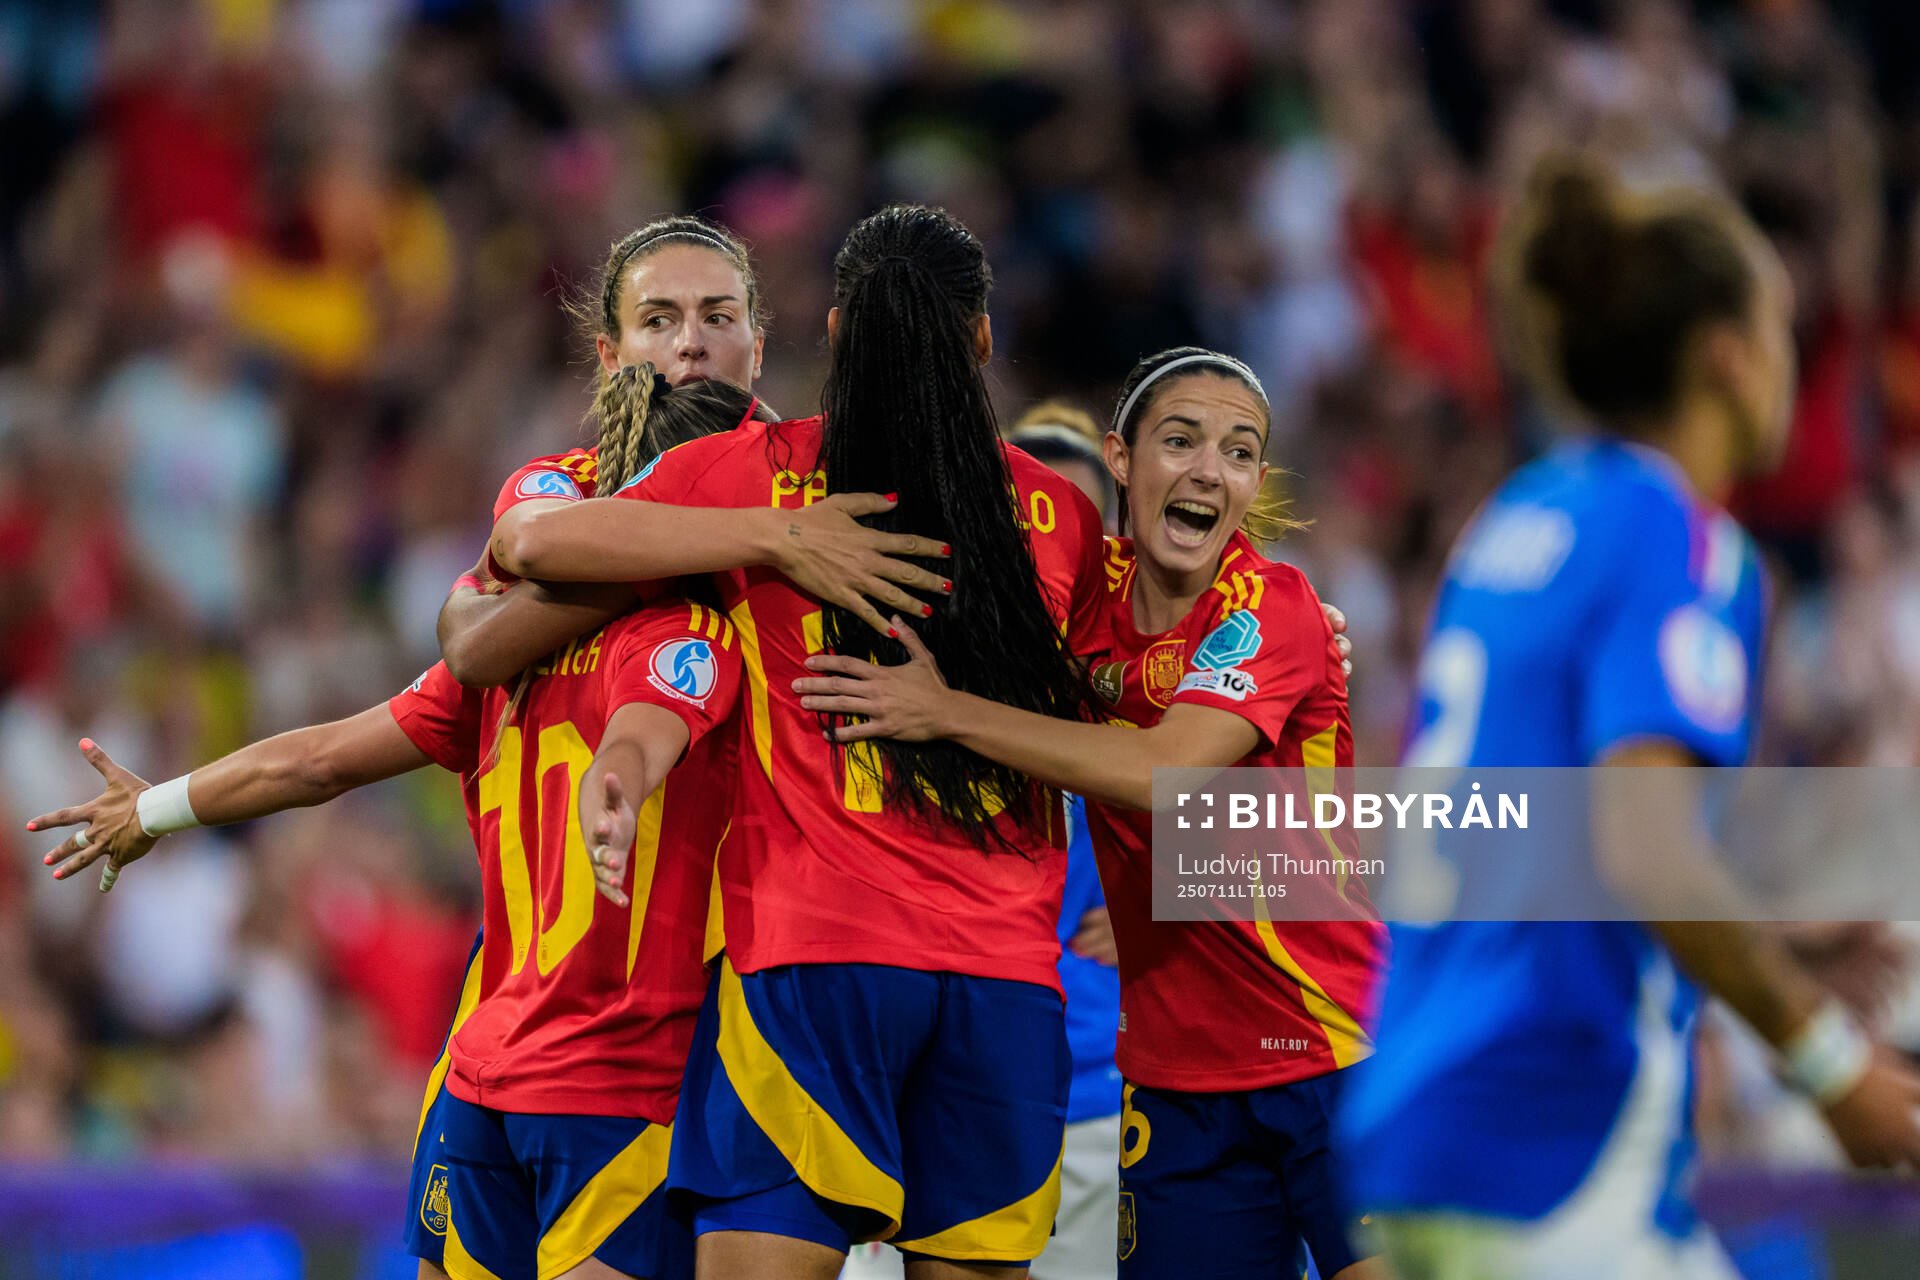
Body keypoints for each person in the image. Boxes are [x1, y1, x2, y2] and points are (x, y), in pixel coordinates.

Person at [478, 204, 1110, 1280]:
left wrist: (776, 530)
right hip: (1006, 983)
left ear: (830, 331)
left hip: (815, 961)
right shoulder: (1058, 514)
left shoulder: (760, 469)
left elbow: (526, 541)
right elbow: (1127, 723)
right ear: (985, 340)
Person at [1335, 158, 1920, 1277]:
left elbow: (1508, 834)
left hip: (1416, 1114)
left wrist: (1774, 937)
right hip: (1555, 1133)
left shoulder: (1518, 519)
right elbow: (1643, 846)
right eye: (1786, 327)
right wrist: (1829, 1064)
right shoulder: (1680, 536)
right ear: (1728, 357)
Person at [32, 378, 756, 1280]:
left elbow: (318, 761)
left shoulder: (499, 661)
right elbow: (641, 730)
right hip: (615, 1081)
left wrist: (156, 807)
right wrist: (619, 781)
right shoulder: (691, 638)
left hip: (481, 1073)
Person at [790, 345, 1387, 1279]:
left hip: (1328, 1047)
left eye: (1238, 453)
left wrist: (945, 709)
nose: (1207, 471)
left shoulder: (1274, 609)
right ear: (1122, 460)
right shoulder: (1079, 607)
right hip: (1176, 1078)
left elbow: (1162, 772)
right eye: (1180, 440)